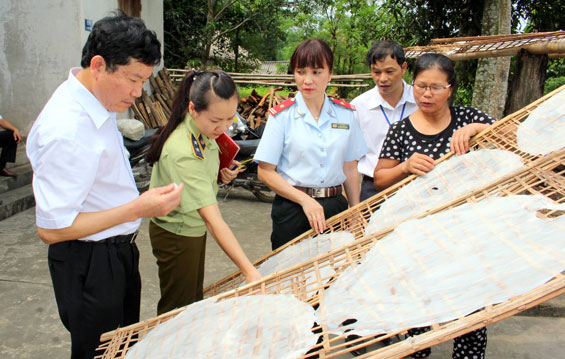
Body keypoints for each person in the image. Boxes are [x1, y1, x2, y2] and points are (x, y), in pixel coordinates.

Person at [26, 13, 183, 359]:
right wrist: (139, 208)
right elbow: (53, 229)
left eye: (143, 80)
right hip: (90, 261)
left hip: (114, 252)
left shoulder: (95, 101)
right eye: (132, 79)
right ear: (98, 66)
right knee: (98, 352)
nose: (137, 92)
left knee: (120, 348)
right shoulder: (66, 127)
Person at [375, 53, 494, 358]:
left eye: (436, 88)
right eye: (420, 86)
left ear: (451, 88)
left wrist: (476, 131)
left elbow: (512, 134)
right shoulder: (401, 130)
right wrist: (404, 167)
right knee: (415, 318)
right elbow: (380, 179)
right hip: (418, 238)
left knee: (469, 316)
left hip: (466, 235)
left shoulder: (468, 119)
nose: (426, 94)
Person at [145, 69, 262, 315]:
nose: (223, 127)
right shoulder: (183, 151)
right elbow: (213, 219)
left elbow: (204, 167)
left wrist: (221, 172)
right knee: (178, 309)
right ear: (193, 109)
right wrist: (249, 271)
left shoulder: (203, 130)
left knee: (190, 300)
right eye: (216, 121)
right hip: (177, 232)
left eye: (230, 119)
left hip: (190, 226)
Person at [254, 39, 367, 251]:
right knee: (289, 276)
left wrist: (355, 212)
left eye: (316, 72)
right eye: (300, 71)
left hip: (335, 207)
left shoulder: (346, 115)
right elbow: (265, 172)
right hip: (292, 209)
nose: (307, 80)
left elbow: (350, 167)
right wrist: (305, 200)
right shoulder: (282, 117)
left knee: (335, 275)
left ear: (330, 74)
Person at [351, 40, 418, 201]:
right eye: (376, 72)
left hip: (417, 186)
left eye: (389, 71)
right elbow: (350, 161)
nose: (382, 79)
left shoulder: (420, 101)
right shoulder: (358, 107)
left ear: (403, 68)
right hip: (374, 190)